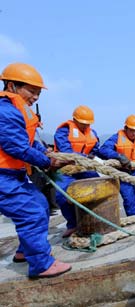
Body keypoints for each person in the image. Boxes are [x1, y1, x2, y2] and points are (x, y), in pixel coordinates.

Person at [0, 63, 71, 278]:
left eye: (38, 93)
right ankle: (41, 264)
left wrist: (46, 153)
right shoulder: (5, 112)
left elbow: (28, 142)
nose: (35, 97)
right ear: (12, 86)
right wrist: (47, 162)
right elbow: (17, 147)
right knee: (31, 214)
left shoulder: (16, 111)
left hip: (14, 175)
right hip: (3, 177)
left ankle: (24, 252)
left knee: (40, 204)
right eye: (31, 91)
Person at [54, 105, 100, 237]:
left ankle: (97, 219)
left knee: (99, 187)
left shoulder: (93, 133)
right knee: (62, 196)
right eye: (82, 123)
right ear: (75, 120)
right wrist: (85, 157)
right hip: (65, 169)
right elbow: (66, 151)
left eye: (88, 124)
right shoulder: (64, 131)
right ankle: (73, 224)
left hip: (84, 168)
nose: (85, 126)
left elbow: (95, 149)